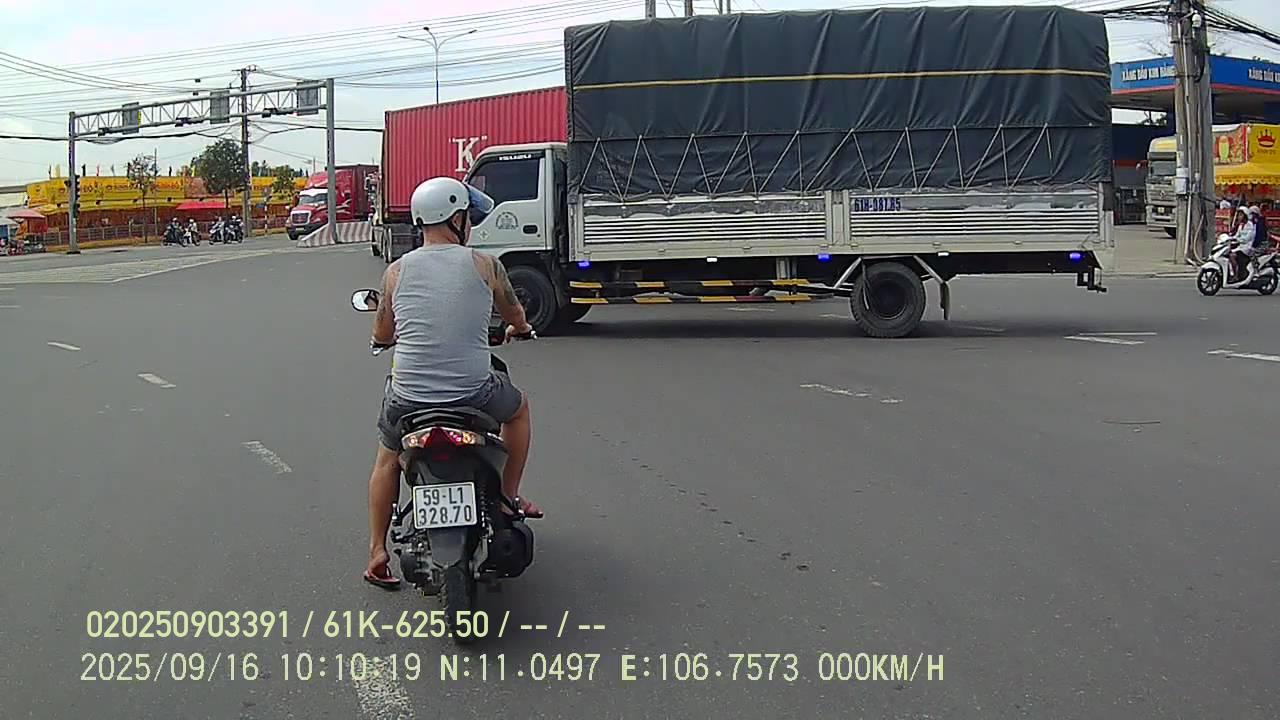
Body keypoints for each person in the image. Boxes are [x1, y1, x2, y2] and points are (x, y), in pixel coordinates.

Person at [363, 176, 540, 590]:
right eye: (467, 216)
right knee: (519, 411)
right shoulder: (485, 265)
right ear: (456, 218)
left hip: (408, 398)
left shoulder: (396, 271)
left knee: (387, 460)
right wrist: (520, 329)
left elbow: (383, 331)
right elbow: (515, 314)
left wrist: (381, 340)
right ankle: (507, 497)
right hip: (474, 392)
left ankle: (377, 552)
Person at [1227, 206, 1256, 282]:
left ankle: (1236, 275)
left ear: (1245, 215)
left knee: (1232, 256)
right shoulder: (1240, 225)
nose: (1239, 217)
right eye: (1238, 215)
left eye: (1241, 215)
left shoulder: (1250, 225)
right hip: (1240, 246)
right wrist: (1229, 238)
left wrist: (1237, 240)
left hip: (1247, 247)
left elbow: (1247, 238)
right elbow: (1237, 235)